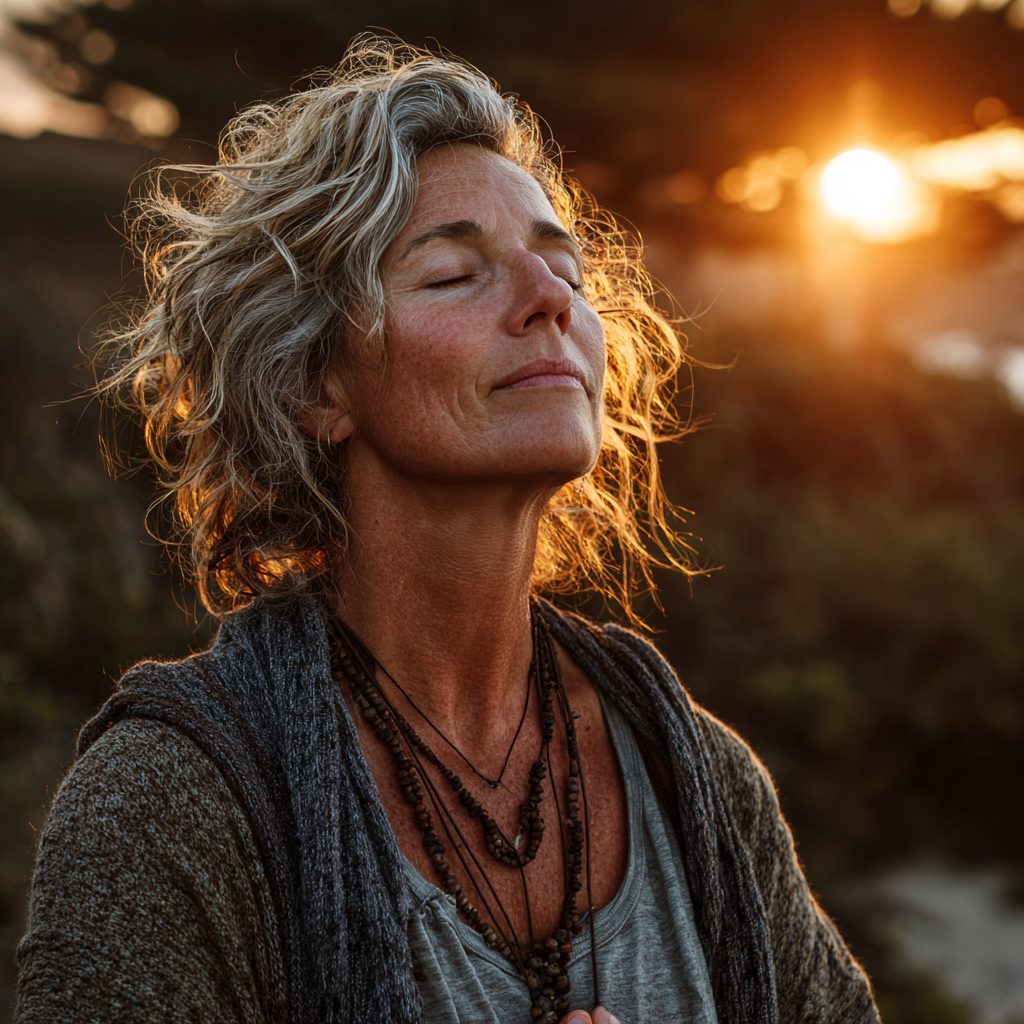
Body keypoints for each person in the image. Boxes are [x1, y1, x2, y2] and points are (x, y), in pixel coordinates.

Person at [14, 38, 880, 1024]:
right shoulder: (173, 805)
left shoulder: (696, 776)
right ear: (312, 383)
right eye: (454, 273)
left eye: (564, 269)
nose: (551, 300)